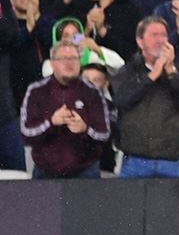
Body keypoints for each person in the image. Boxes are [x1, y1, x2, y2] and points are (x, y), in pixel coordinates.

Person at [110, 16, 179, 178]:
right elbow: (123, 98)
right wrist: (152, 76)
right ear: (140, 41)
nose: (160, 40)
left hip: (171, 161)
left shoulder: (178, 72)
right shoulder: (128, 71)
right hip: (135, 161)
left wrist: (170, 71)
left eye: (164, 35)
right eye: (154, 35)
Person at [19, 40, 111, 178]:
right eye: (63, 58)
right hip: (46, 173)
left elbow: (104, 133)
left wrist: (85, 130)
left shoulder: (92, 92)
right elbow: (26, 132)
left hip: (85, 172)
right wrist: (51, 122)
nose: (69, 62)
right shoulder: (36, 91)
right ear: (52, 64)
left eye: (74, 58)